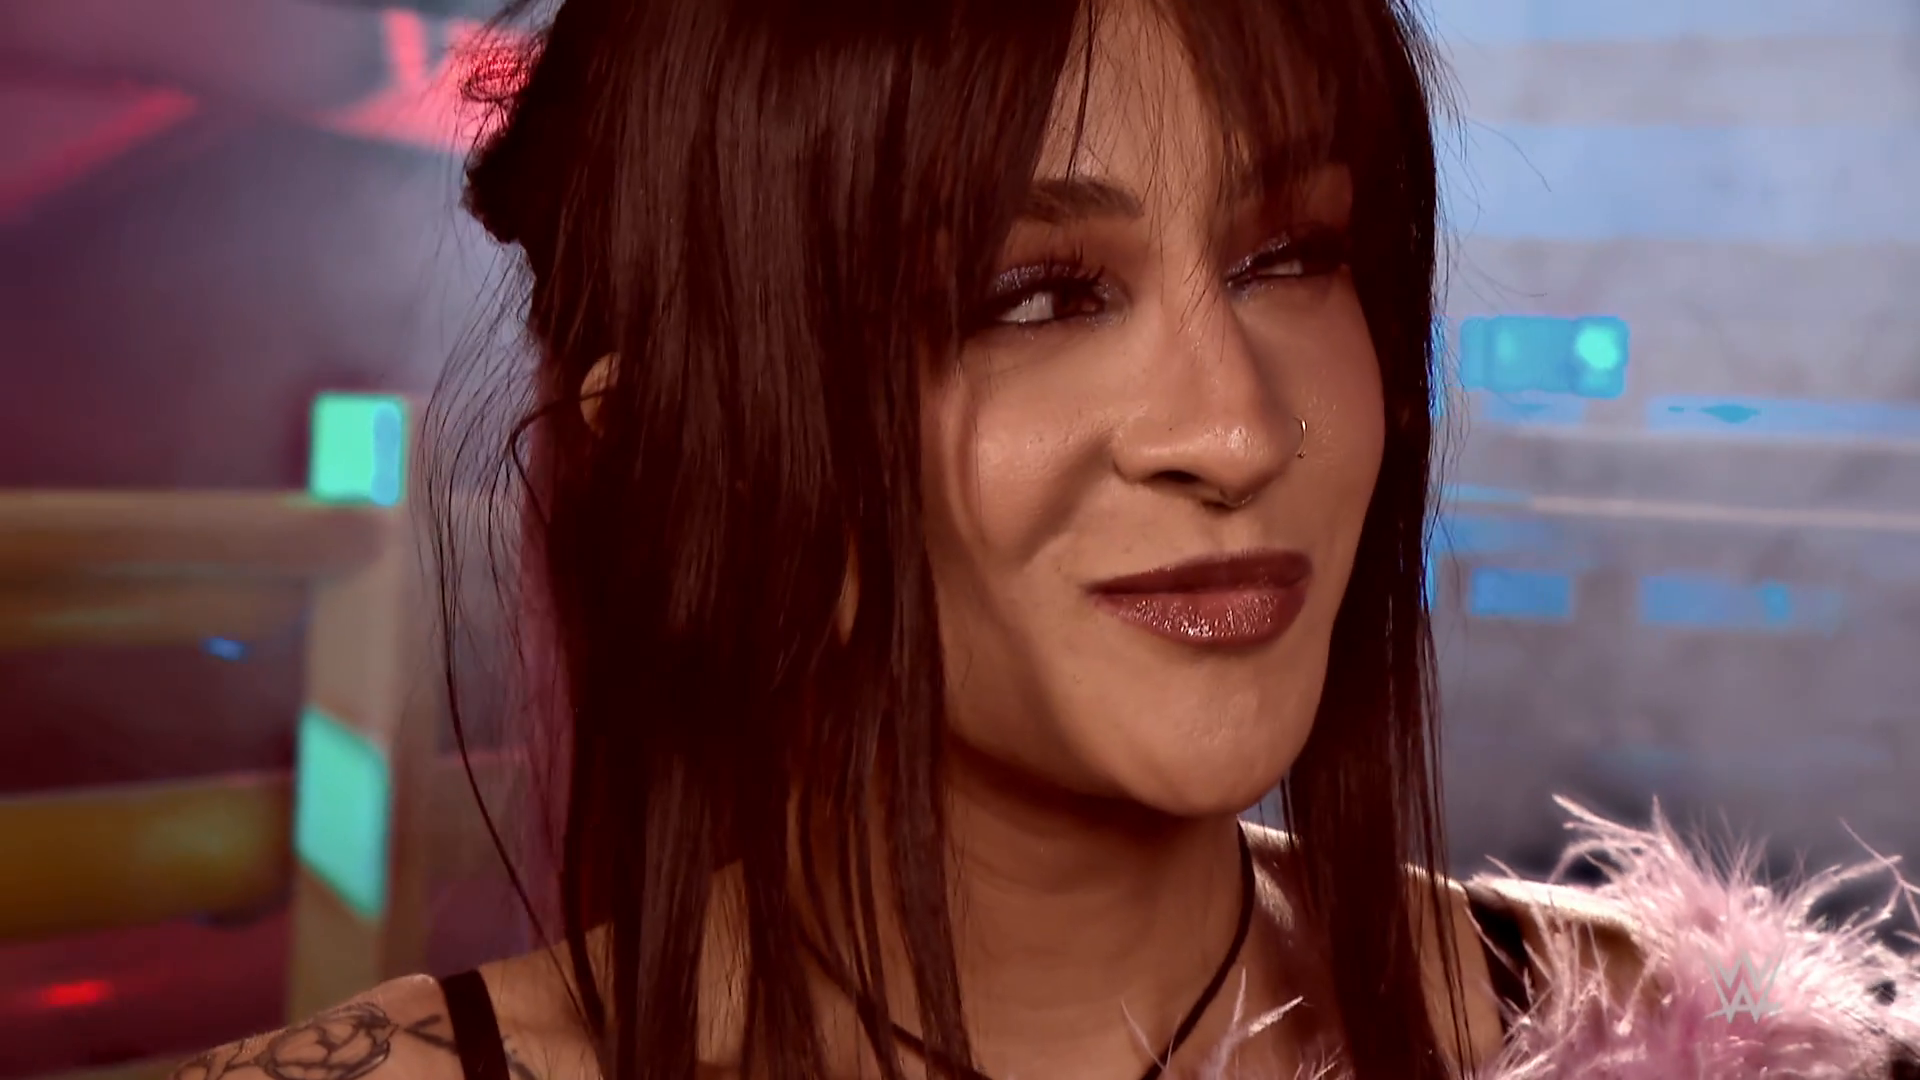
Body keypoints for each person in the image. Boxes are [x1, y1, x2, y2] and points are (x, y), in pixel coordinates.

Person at [171, 0, 1920, 1078]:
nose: (1236, 432)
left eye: (1292, 256)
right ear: (689, 441)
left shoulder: (1707, 1050)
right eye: (1036, 295)